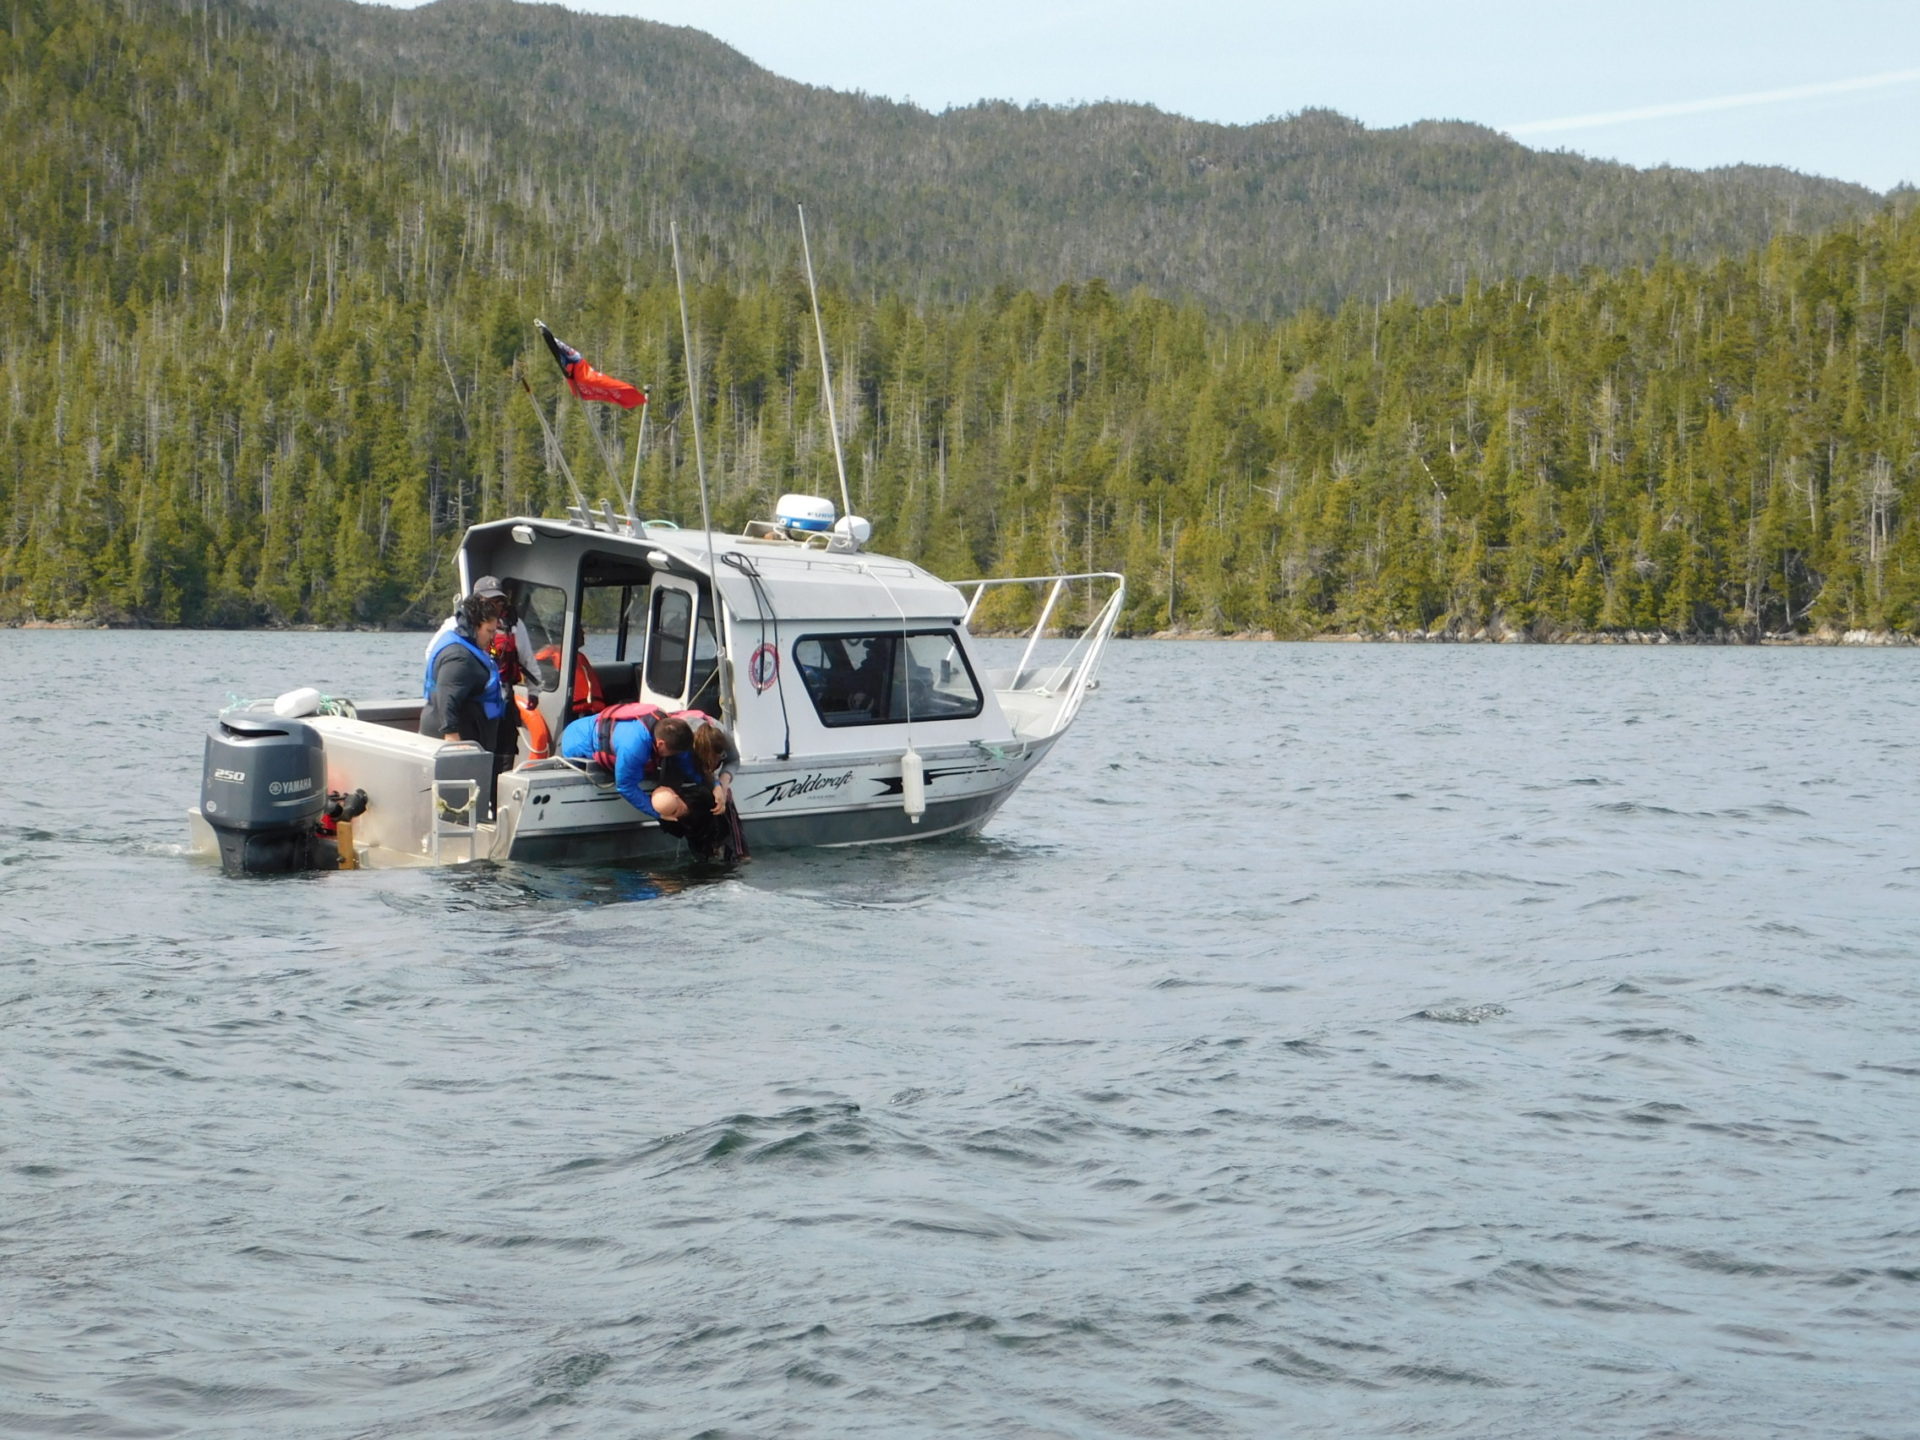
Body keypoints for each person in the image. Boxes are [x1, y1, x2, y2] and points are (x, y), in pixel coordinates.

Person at [558, 705, 700, 822]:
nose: (675, 755)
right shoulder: (633, 748)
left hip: (587, 725)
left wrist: (709, 783)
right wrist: (658, 814)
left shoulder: (667, 725)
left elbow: (683, 758)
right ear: (660, 743)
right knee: (630, 774)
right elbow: (626, 786)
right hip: (575, 743)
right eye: (673, 752)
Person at [420, 579, 506, 753]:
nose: (492, 638)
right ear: (475, 626)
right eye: (489, 631)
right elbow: (447, 696)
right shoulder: (459, 656)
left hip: (476, 735)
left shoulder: (470, 646)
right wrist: (452, 736)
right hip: (455, 740)